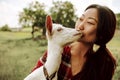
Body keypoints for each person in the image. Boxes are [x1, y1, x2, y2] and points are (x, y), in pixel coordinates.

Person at [32, 4, 116, 80]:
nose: (80, 26)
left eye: (90, 22)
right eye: (81, 19)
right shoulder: (59, 52)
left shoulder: (103, 64)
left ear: (102, 33)